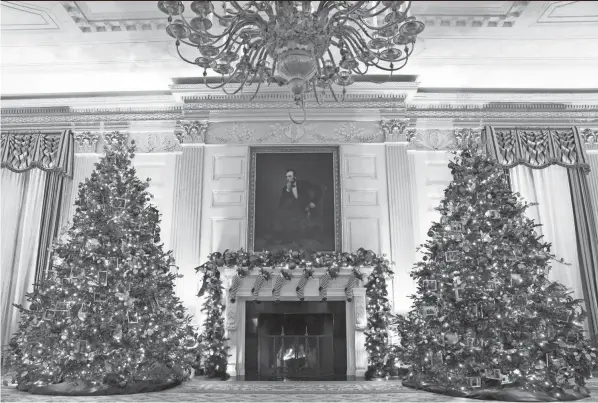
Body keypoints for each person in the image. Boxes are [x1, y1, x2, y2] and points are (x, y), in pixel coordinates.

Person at [277, 168, 323, 245]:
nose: (288, 179)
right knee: (283, 214)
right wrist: (288, 191)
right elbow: (281, 203)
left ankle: (316, 237)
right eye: (286, 177)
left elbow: (318, 189)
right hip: (294, 211)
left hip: (307, 208)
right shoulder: (285, 189)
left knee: (313, 223)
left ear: (295, 177)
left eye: (290, 176)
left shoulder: (304, 183)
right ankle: (288, 239)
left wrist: (314, 202)